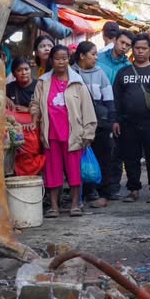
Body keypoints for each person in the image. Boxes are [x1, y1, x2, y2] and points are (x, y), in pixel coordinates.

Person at [29, 45, 97, 218]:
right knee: (52, 172)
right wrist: (34, 117)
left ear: (69, 59)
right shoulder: (43, 82)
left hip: (73, 134)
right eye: (58, 58)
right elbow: (35, 104)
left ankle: (75, 205)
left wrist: (88, 132)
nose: (61, 62)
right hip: (51, 134)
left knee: (74, 171)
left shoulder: (77, 82)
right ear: (51, 60)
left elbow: (87, 108)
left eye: (64, 58)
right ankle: (54, 207)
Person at [112, 33, 150, 203]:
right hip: (128, 122)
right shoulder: (123, 73)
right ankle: (133, 190)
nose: (140, 51)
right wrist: (115, 120)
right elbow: (116, 98)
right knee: (130, 158)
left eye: (144, 48)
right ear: (133, 49)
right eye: (137, 48)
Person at [70, 41, 115, 208]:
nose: (96, 57)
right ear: (82, 56)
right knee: (83, 158)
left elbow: (108, 97)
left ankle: (102, 189)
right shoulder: (71, 73)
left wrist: (110, 120)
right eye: (93, 54)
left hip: (100, 123)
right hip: (78, 122)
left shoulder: (100, 72)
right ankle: (88, 192)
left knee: (102, 155)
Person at [96, 29, 133, 199]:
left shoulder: (128, 67)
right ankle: (96, 187)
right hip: (97, 109)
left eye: (128, 45)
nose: (124, 47)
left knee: (117, 151)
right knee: (98, 150)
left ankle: (114, 187)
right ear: (115, 40)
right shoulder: (98, 59)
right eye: (122, 43)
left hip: (118, 112)